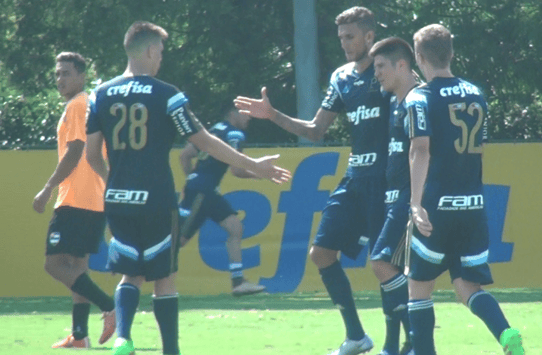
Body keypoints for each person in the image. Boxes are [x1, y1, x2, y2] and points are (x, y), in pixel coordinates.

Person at [85, 21, 290, 355]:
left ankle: (123, 337)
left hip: (118, 200)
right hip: (157, 200)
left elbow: (92, 154)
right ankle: (171, 351)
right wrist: (256, 166)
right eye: (161, 52)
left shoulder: (100, 95)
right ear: (150, 50)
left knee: (129, 275)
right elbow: (204, 142)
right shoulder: (167, 95)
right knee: (164, 279)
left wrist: (114, 183)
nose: (161, 59)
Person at [235, 7, 411, 355]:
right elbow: (316, 131)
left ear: (369, 37)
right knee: (320, 254)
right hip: (355, 179)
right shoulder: (342, 77)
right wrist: (272, 115)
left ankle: (401, 343)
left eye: (351, 36)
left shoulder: (389, 71)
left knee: (384, 266)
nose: (345, 44)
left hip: (386, 181)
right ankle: (357, 337)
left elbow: (417, 105)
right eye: (341, 37)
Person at [405, 24, 524, 355]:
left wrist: (415, 203)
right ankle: (505, 334)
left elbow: (420, 149)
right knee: (467, 285)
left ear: (418, 57)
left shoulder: (419, 97)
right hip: (472, 204)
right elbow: (479, 148)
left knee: (419, 289)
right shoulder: (476, 93)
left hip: (436, 206)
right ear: (452, 54)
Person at [32, 52, 116, 349]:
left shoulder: (79, 104)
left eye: (66, 73)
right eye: (58, 74)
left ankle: (110, 306)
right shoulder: (86, 103)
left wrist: (47, 188)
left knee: (54, 265)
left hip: (76, 198)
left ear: (81, 76)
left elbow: (76, 148)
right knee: (77, 269)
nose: (60, 79)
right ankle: (80, 335)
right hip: (93, 199)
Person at [178, 104, 266, 296]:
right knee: (177, 241)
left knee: (235, 227)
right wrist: (260, 174)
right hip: (203, 191)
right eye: (245, 114)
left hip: (203, 190)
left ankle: (238, 282)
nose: (249, 118)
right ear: (232, 113)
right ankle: (144, 273)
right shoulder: (235, 135)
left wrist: (191, 180)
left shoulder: (212, 131)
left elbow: (184, 155)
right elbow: (237, 170)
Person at [369, 37, 420, 355]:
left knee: (381, 263)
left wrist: (417, 200)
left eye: (380, 67)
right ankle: (404, 342)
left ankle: (417, 336)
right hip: (392, 196)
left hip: (410, 197)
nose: (376, 74)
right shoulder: (394, 101)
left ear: (402, 65)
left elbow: (426, 152)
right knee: (398, 271)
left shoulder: (419, 99)